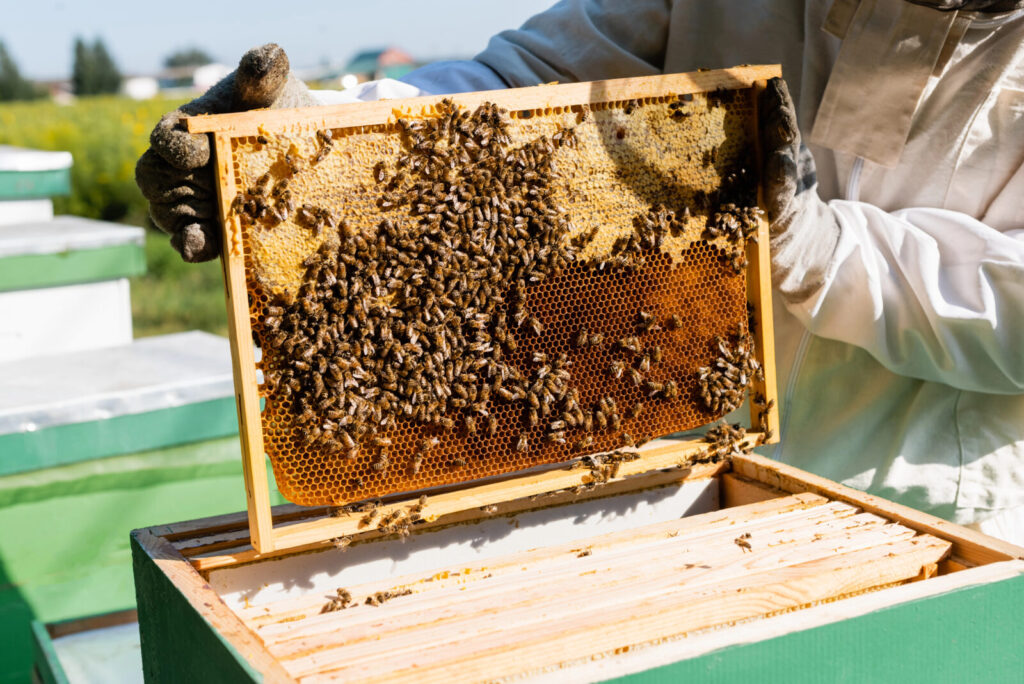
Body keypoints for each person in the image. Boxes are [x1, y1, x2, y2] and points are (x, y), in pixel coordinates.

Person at [136, 0, 1024, 544]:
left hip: (936, 517)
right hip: (680, 486)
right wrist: (299, 143)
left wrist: (812, 240)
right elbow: (523, 84)